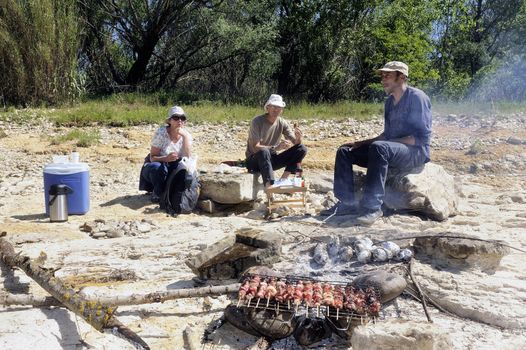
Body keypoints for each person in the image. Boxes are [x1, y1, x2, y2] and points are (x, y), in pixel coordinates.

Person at [321, 61, 432, 226]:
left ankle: (372, 209)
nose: (383, 79)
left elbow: (421, 138)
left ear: (401, 77)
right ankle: (347, 204)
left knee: (380, 148)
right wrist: (360, 143)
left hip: (415, 152)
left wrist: (386, 143)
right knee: (345, 151)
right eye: (382, 75)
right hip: (390, 149)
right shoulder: (389, 102)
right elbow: (386, 135)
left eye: (387, 75)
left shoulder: (417, 98)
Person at [245, 94, 307, 189]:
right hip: (254, 160)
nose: (276, 110)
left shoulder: (282, 122)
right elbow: (256, 147)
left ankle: (283, 180)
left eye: (279, 107)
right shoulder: (257, 121)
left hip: (271, 160)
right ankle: (270, 187)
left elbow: (296, 143)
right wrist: (276, 148)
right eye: (273, 106)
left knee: (301, 148)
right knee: (264, 151)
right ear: (268, 107)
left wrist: (298, 138)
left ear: (281, 110)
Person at [139, 105, 193, 202]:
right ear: (169, 121)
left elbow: (187, 157)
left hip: (174, 166)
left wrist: (184, 137)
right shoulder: (161, 133)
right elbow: (152, 157)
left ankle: (170, 191)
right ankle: (157, 192)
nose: (179, 121)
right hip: (157, 165)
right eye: (176, 118)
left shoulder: (187, 135)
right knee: (157, 167)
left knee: (186, 171)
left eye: (182, 118)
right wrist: (166, 158)